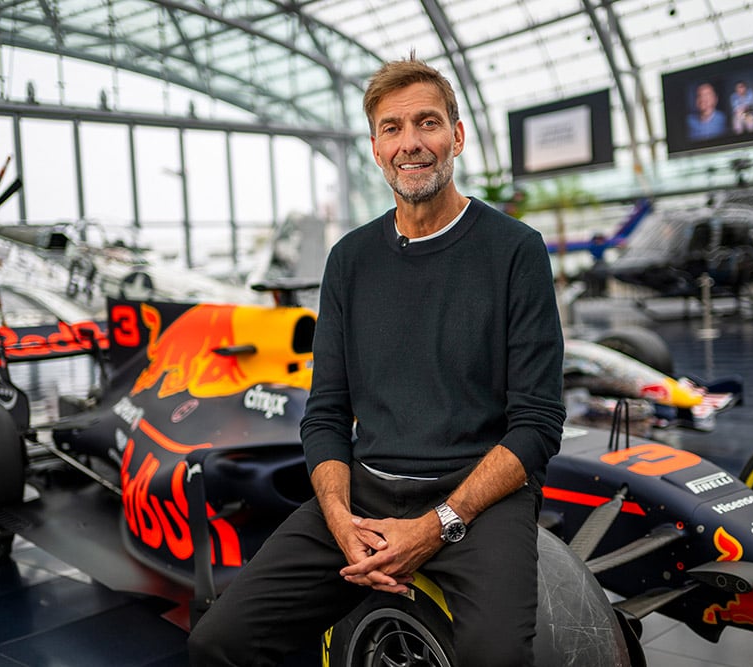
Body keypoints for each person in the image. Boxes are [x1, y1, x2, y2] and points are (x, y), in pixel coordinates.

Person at [187, 55, 566, 666]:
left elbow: (537, 425)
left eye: (427, 123)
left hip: (479, 498)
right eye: (392, 128)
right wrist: (339, 519)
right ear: (375, 148)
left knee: (497, 658)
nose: (410, 143)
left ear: (457, 136)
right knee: (218, 642)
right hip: (365, 491)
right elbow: (326, 414)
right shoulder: (350, 260)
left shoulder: (515, 251)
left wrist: (436, 526)